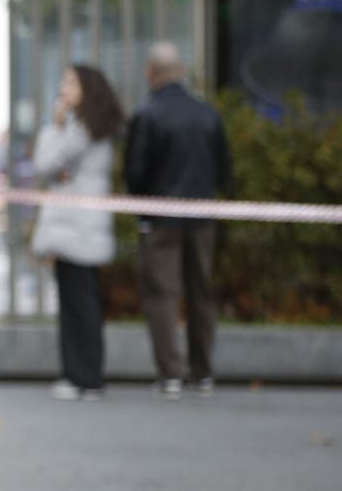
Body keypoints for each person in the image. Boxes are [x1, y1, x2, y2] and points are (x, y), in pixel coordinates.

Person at [125, 41, 233, 399]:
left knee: (162, 294)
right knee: (201, 291)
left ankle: (171, 374)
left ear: (150, 73)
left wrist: (144, 208)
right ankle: (202, 373)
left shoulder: (148, 115)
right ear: (182, 71)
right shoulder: (208, 114)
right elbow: (224, 169)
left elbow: (135, 173)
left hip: (160, 219)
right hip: (202, 216)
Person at [31, 65, 126, 401]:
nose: (63, 88)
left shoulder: (79, 127)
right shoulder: (92, 126)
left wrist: (53, 126)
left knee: (77, 305)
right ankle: (84, 375)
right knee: (81, 303)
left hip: (75, 228)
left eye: (70, 82)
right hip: (82, 227)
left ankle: (82, 376)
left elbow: (44, 163)